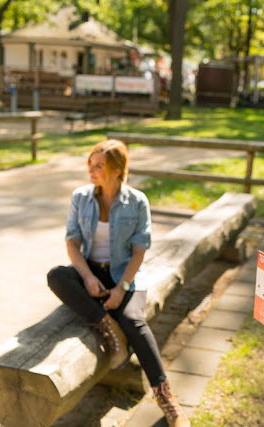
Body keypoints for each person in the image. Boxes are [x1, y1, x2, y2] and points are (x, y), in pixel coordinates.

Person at [47, 139, 190, 427]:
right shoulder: (80, 197)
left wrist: (121, 288)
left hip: (126, 276)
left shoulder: (137, 202)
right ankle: (106, 325)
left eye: (99, 165)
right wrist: (87, 277)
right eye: (90, 163)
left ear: (117, 170)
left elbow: (139, 250)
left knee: (133, 320)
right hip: (91, 272)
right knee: (57, 276)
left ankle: (168, 401)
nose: (91, 169)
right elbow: (72, 242)